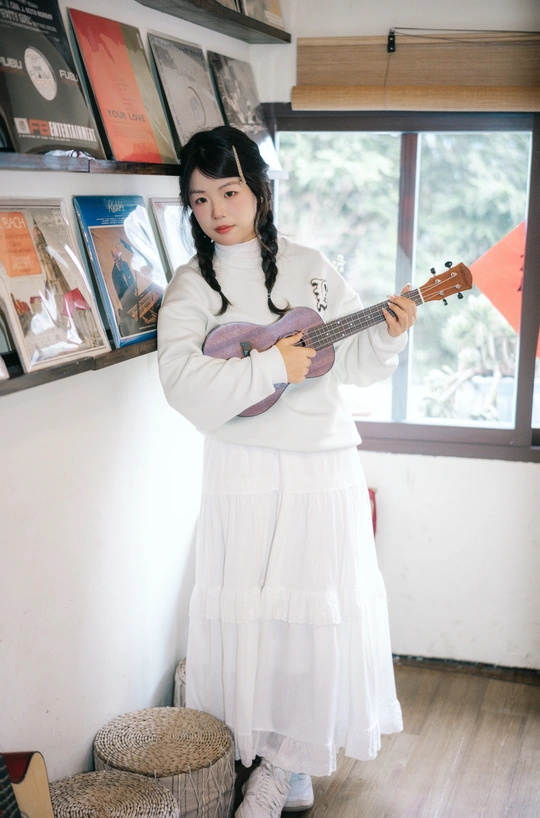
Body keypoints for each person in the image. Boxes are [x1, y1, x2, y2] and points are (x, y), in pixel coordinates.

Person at [157, 126, 417, 818]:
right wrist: (271, 366)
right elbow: (182, 383)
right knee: (254, 617)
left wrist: (388, 336)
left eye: (230, 191)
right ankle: (255, 750)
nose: (217, 210)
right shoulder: (191, 285)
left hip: (320, 467)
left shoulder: (309, 266)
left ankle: (288, 767)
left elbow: (353, 360)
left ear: (260, 192)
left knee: (310, 618)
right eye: (200, 199)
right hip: (240, 469)